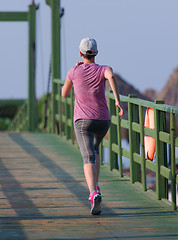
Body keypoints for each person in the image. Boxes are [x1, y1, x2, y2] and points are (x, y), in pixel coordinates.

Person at [61, 38, 124, 215]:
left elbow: (64, 94)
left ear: (80, 53)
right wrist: (118, 102)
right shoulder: (104, 69)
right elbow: (110, 75)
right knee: (94, 150)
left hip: (83, 121)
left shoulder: (74, 71)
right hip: (103, 120)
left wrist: (76, 71)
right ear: (96, 53)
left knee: (87, 156)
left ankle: (93, 193)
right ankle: (95, 184)